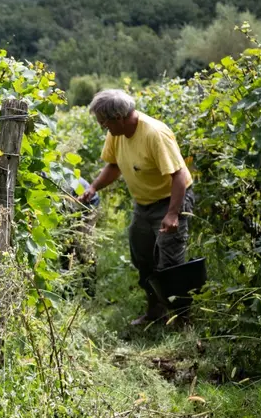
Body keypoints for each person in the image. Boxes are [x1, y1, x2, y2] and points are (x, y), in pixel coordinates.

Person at [78, 89, 195, 326]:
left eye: (104, 123)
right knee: (143, 258)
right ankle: (155, 313)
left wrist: (173, 214)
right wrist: (93, 187)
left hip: (170, 201)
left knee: (170, 263)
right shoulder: (117, 134)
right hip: (143, 205)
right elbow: (114, 166)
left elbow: (179, 175)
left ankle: (181, 319)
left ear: (118, 118)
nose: (104, 128)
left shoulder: (154, 134)